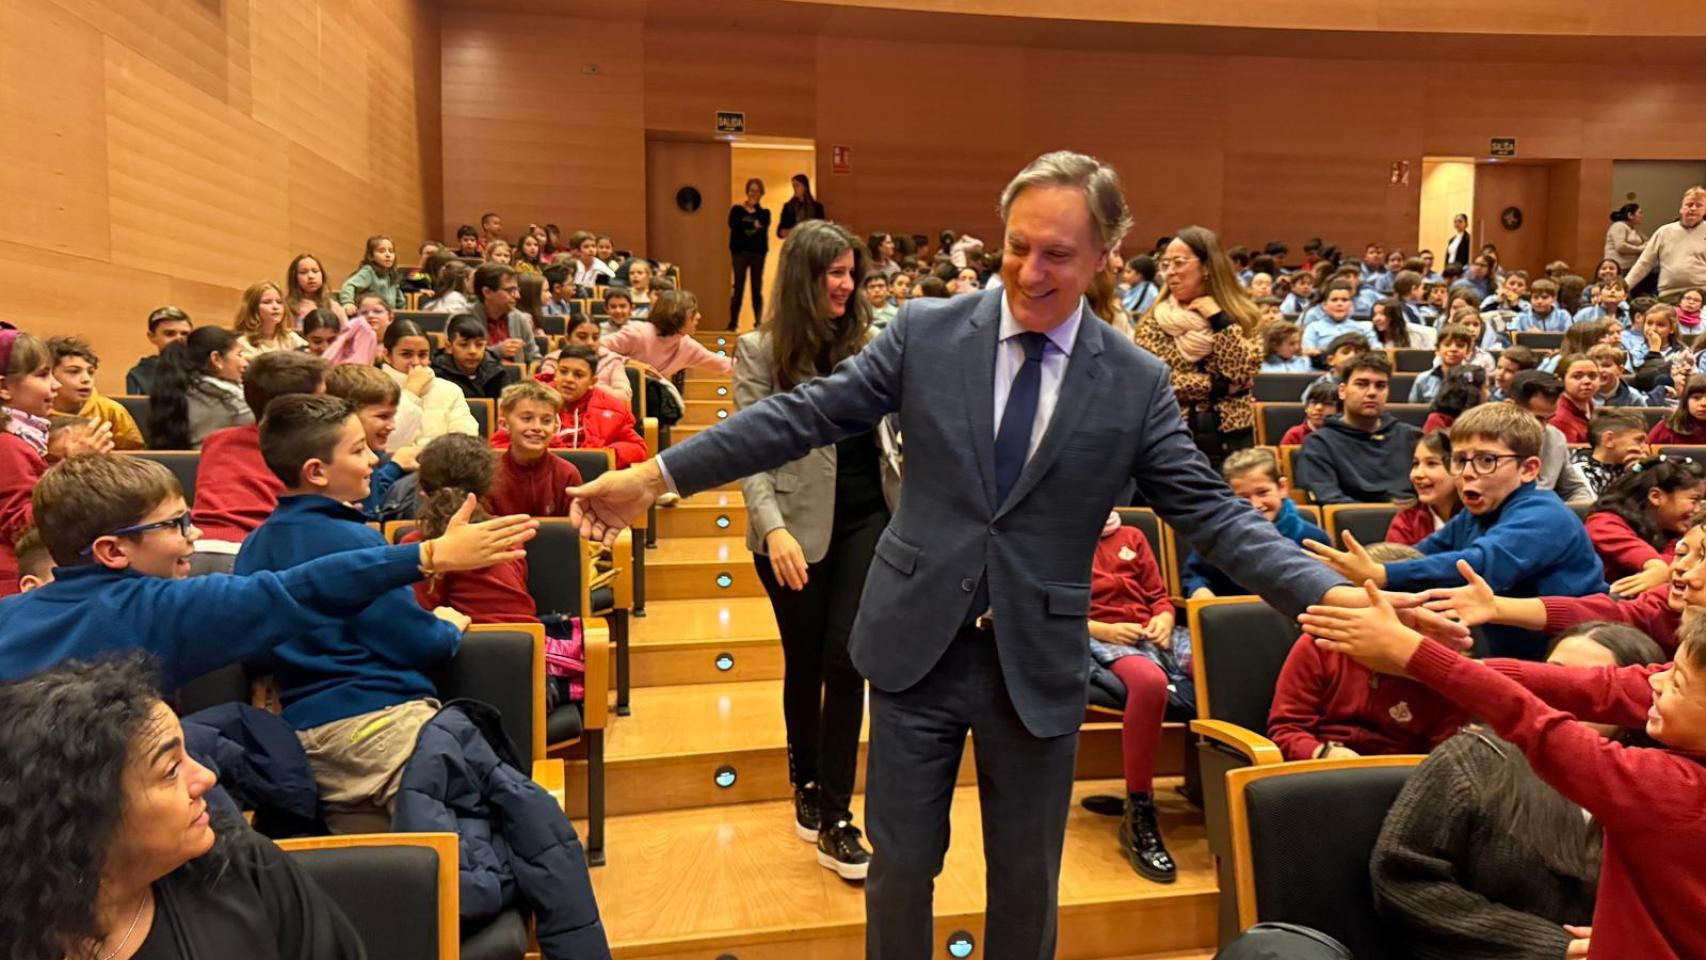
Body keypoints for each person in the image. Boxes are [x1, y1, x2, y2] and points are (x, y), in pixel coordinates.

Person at [558, 151, 1357, 960]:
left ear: (1106, 256)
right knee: (900, 868)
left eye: (1058, 255)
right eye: (1017, 246)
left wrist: (1328, 597)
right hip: (917, 643)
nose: (1029, 271)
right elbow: (801, 417)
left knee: (1026, 880)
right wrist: (659, 476)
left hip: (1037, 657)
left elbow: (1211, 511)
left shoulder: (1135, 381)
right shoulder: (926, 333)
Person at [1299, 578, 1706, 960]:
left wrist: (1416, 655)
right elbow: (1596, 688)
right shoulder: (1472, 760)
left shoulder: (1661, 786)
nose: (1653, 683)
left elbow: (1534, 721)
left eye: (1676, 682)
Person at [0, 452, 535, 686]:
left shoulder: (10, 614)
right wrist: (426, 556)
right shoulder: (164, 607)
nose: (191, 536)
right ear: (112, 552)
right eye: (175, 525)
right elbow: (303, 589)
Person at [0, 658, 367, 960]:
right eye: (171, 769)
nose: (206, 777)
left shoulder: (246, 869)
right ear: (87, 811)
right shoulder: (17, 930)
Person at [733, 219, 898, 881]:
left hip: (867, 517)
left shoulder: (874, 340)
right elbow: (749, 449)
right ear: (805, 276)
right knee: (804, 660)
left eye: (851, 272)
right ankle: (804, 778)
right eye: (834, 272)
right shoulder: (760, 350)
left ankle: (836, 815)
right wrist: (771, 528)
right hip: (791, 526)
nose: (847, 284)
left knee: (845, 656)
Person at [231, 395, 471, 830]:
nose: (374, 459)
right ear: (317, 471)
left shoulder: (254, 545)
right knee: (457, 861)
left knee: (367, 878)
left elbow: (259, 652)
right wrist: (448, 629)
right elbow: (415, 642)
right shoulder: (357, 543)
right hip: (384, 729)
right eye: (358, 450)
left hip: (306, 744)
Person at [1368, 622, 1668, 960]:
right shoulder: (1471, 758)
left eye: (1585, 687)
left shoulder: (1665, 785)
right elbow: (1404, 883)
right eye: (1554, 679)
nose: (1563, 697)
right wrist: (1556, 947)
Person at [1306, 403, 1607, 659]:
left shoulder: (1543, 514)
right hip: (1515, 658)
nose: (1467, 473)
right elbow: (1418, 554)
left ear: (1528, 469)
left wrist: (1383, 574)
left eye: (1487, 460)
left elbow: (1479, 565)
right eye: (1460, 460)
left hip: (1576, 656)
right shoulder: (1475, 515)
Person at [1268, 541, 1470, 761]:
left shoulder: (1441, 662)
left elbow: (1448, 754)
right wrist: (1323, 753)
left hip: (1407, 776)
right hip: (1323, 768)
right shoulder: (1320, 644)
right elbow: (1287, 728)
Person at [1084, 509, 1189, 883]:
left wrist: (1163, 617)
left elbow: (1159, 596)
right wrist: (1102, 629)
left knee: (1221, 662)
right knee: (1149, 683)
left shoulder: (1132, 536)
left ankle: (1211, 787)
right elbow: (1049, 605)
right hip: (1101, 637)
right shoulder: (1057, 534)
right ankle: (1140, 805)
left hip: (1152, 632)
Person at [1131, 225, 1265, 467]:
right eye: (1165, 264)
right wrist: (1218, 386)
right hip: (1171, 432)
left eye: (1179, 262)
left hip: (1232, 436)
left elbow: (1242, 370)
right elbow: (1157, 382)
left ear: (1206, 266)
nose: (1170, 272)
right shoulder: (1154, 321)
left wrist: (1219, 320)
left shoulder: (1243, 316)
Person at [2, 328, 113, 596]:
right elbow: (24, 528)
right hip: (14, 583)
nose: (56, 385)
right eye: (42, 375)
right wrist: (76, 468)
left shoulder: (21, 440)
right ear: (4, 388)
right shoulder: (7, 445)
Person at [192, 350, 328, 553]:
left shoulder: (216, 440)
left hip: (198, 546)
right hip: (257, 552)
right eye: (324, 399)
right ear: (305, 409)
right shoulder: (309, 450)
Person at [1183, 448, 1326, 599]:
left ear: (1282, 487)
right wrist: (1200, 592)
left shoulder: (1313, 539)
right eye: (1243, 498)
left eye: (1263, 492)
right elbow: (1195, 576)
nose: (1255, 505)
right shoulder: (1217, 536)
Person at [1296, 352, 1423, 504]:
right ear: (1342, 391)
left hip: (1415, 523)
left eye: (1380, 386)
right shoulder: (1319, 444)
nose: (1372, 393)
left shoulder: (1411, 437)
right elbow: (1329, 499)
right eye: (1361, 384)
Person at [1584, 458, 1705, 593]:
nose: (1698, 509)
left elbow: (1680, 561)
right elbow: (1641, 555)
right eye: (1694, 500)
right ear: (1656, 496)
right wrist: (1656, 566)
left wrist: (1663, 569)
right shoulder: (1603, 523)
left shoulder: (1678, 533)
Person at [324, 363, 413, 521]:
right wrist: (394, 467)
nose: (392, 426)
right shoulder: (337, 460)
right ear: (349, 415)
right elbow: (370, 514)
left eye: (393, 416)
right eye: (382, 416)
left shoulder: (374, 453)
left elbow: (376, 497)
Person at [485, 381, 584, 517]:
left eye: (546, 421)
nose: (537, 427)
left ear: (555, 428)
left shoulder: (567, 475)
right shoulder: (488, 475)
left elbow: (574, 533)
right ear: (505, 425)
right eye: (527, 418)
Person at [380, 319, 480, 452]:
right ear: (387, 356)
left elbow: (466, 439)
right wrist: (411, 391)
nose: (416, 362)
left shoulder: (450, 390)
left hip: (441, 467)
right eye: (406, 354)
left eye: (422, 355)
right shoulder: (374, 390)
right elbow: (389, 444)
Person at [147, 326, 252, 449]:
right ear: (216, 359)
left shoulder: (184, 387)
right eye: (239, 354)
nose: (245, 363)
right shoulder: (223, 396)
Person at [600, 289, 733, 380]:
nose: (699, 316)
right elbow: (594, 348)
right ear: (676, 315)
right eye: (693, 312)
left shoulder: (686, 344)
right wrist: (629, 363)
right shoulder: (638, 333)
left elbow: (725, 365)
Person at [1507, 370, 1595, 505]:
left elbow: (1574, 489)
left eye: (1549, 419)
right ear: (1510, 407)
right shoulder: (1487, 442)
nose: (1542, 428)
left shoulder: (1555, 437)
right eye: (1537, 418)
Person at [47, 336, 144, 449]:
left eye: (90, 372)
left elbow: (135, 454)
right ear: (49, 375)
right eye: (73, 371)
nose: (86, 379)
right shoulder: (35, 411)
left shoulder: (111, 410)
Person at [1625, 186, 1706, 302]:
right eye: (1689, 204)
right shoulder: (1664, 232)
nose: (1693, 209)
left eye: (1699, 205)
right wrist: (1623, 288)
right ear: (1681, 208)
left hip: (1702, 295)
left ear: (1705, 210)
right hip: (1669, 295)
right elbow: (1644, 264)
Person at [1388, 431, 1461, 545]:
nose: (1417, 474)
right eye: (1416, 464)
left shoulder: (1479, 517)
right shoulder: (1407, 521)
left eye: (1431, 463)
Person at [471, 262, 542, 365]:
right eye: (510, 290)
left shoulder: (520, 318)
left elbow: (534, 357)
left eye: (517, 289)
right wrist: (497, 351)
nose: (517, 296)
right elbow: (460, 360)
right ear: (487, 292)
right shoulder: (463, 318)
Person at [1573, 409, 1651, 500]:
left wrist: (1642, 475)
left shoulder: (1638, 469)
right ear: (1609, 440)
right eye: (1639, 441)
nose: (1645, 449)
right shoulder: (1577, 475)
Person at [430, 314, 512, 401]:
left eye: (479, 345)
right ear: (449, 346)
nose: (472, 351)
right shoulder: (436, 374)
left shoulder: (497, 372)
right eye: (464, 345)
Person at [729, 177, 771, 329]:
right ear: (747, 192)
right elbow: (733, 224)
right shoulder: (736, 210)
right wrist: (753, 223)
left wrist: (745, 223)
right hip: (739, 253)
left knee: (756, 288)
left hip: (757, 254)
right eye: (752, 190)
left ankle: (758, 323)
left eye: (757, 191)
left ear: (761, 194)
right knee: (738, 288)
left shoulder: (765, 213)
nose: (754, 194)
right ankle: (733, 323)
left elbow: (763, 224)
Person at [127, 306, 195, 396]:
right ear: (151, 337)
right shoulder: (139, 374)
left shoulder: (202, 371)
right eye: (170, 334)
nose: (179, 339)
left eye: (185, 334)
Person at [231, 282, 305, 359]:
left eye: (279, 302)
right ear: (253, 308)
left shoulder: (292, 338)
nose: (275, 307)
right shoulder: (242, 343)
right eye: (267, 302)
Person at [1408, 323, 1476, 404]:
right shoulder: (1423, 379)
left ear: (1468, 351)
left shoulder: (1473, 380)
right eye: (1447, 345)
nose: (1453, 349)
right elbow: (1414, 410)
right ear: (1437, 350)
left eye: (1460, 345)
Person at [336, 234, 405, 310]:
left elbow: (400, 302)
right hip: (368, 314)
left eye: (391, 251)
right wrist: (348, 303)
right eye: (382, 251)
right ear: (371, 256)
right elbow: (348, 285)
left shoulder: (391, 274)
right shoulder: (368, 271)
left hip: (387, 317)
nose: (388, 255)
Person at [284, 253, 348, 325]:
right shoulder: (285, 307)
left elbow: (347, 334)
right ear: (294, 277)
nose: (311, 276)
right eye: (303, 272)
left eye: (315, 271)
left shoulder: (333, 306)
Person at [1421, 365, 1488, 434]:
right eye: (1486, 387)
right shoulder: (1436, 420)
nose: (1488, 393)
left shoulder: (1487, 420)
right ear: (1473, 393)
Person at [1549, 353, 1599, 444]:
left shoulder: (1591, 403)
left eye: (1592, 376)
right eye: (1577, 376)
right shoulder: (1559, 419)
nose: (1587, 381)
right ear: (1560, 380)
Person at [1650, 373, 1706, 445]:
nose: (1704, 403)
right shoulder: (1669, 425)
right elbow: (1648, 451)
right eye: (1696, 398)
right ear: (1686, 401)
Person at [1281, 381, 1337, 447]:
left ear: (1339, 410)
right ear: (1306, 408)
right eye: (1314, 402)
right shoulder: (1294, 435)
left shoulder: (1343, 436)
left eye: (1327, 403)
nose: (1318, 408)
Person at [777, 174, 825, 240]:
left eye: (797, 185)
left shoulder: (817, 207)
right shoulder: (788, 206)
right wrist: (790, 231)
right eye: (793, 186)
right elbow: (780, 232)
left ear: (805, 187)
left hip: (811, 244)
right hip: (794, 243)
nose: (795, 188)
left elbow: (821, 229)